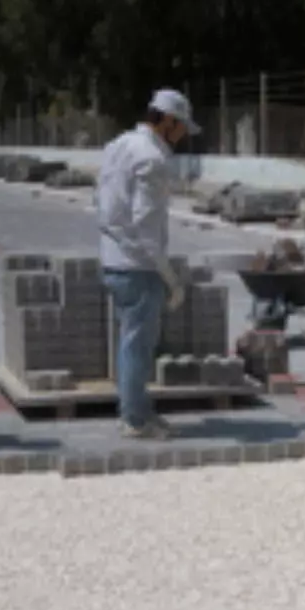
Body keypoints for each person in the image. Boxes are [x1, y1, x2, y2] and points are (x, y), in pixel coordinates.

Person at [97, 88, 199, 439]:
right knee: (138, 345)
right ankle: (136, 419)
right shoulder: (152, 160)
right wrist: (170, 277)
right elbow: (146, 226)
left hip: (113, 258)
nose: (184, 134)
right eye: (182, 126)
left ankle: (135, 410)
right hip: (137, 266)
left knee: (131, 342)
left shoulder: (117, 146)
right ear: (168, 121)